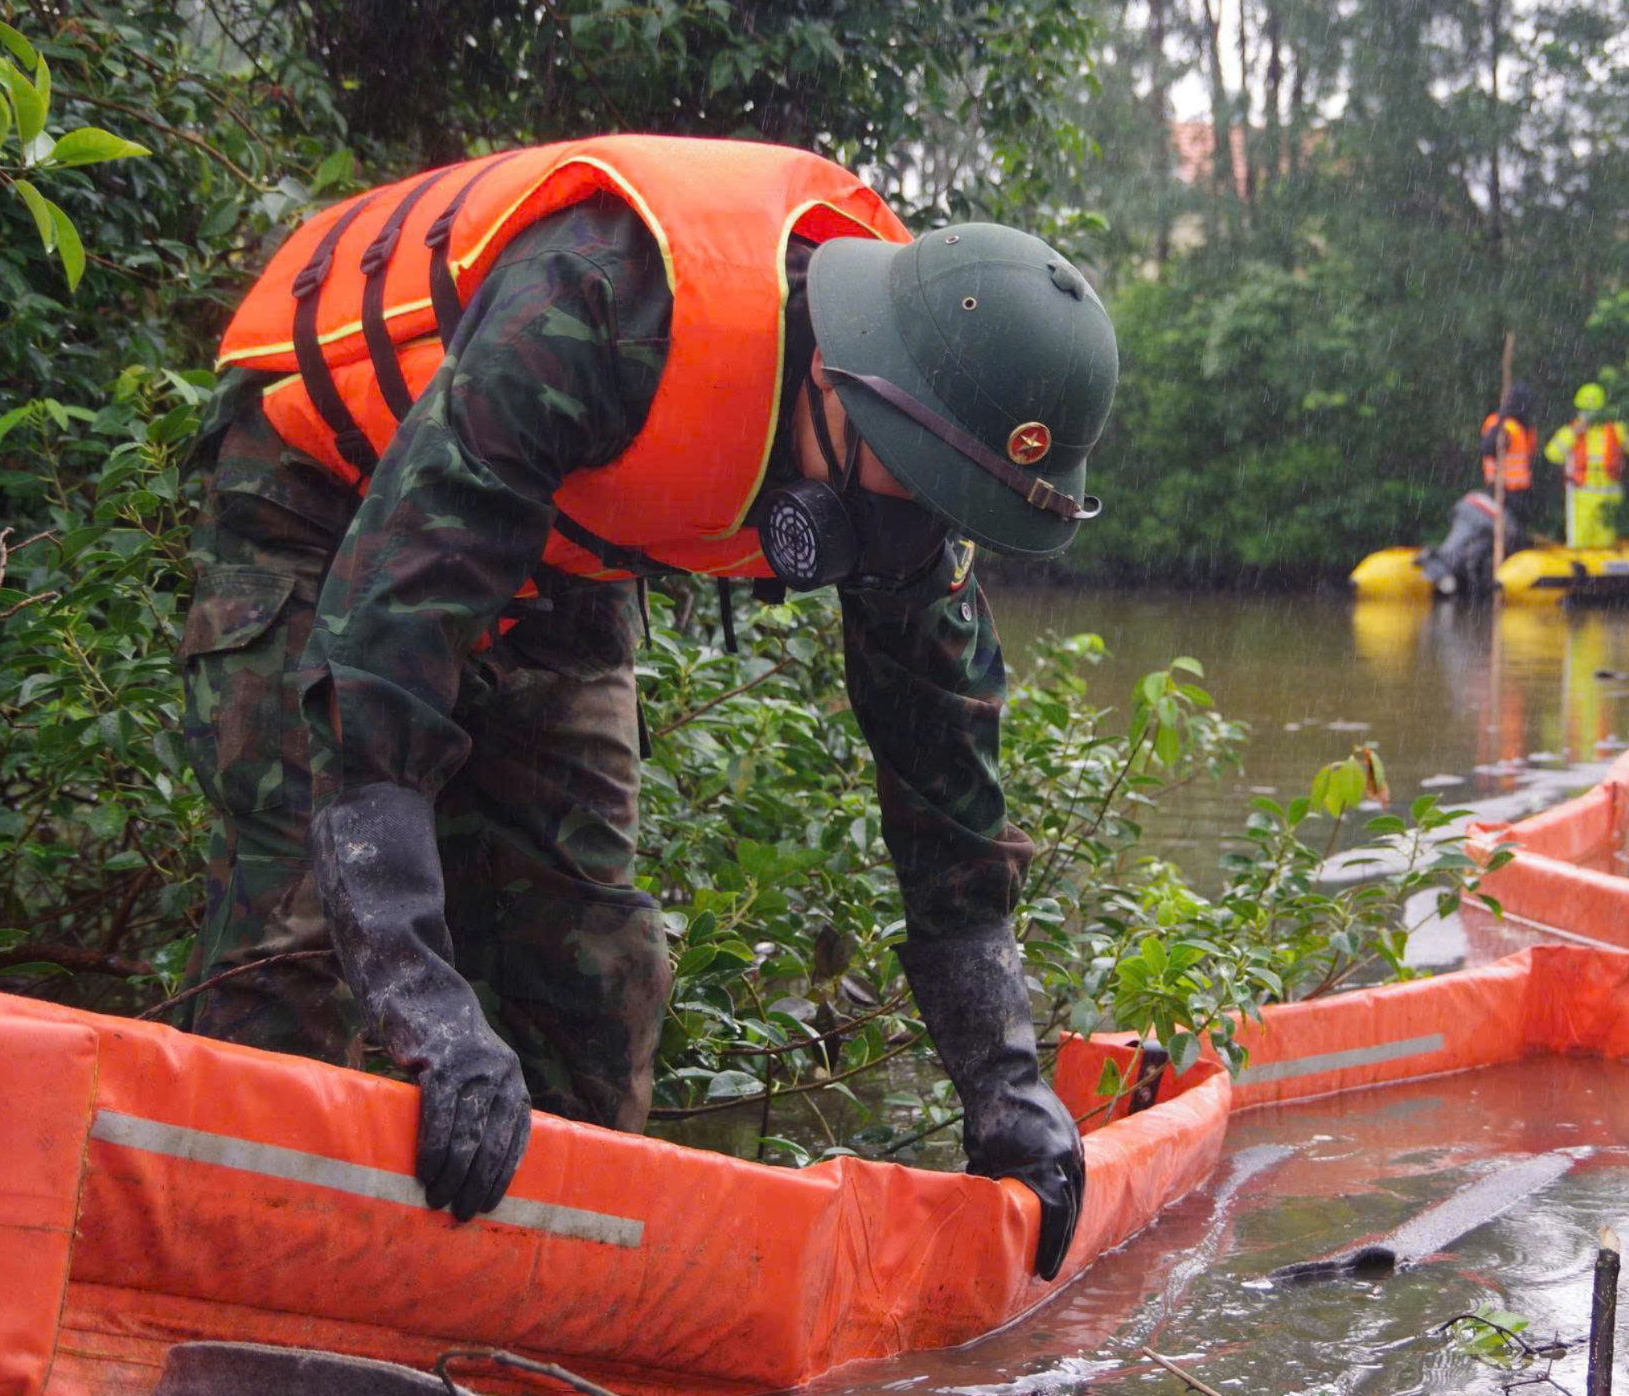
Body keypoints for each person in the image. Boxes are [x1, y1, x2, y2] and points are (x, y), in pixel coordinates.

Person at [175, 135, 1109, 1279]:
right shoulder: (606, 302)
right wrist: (427, 1007)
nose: (921, 528)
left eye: (953, 504)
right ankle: (225, 1271)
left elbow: (948, 795)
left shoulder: (910, 480)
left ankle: (538, 1305)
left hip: (562, 555)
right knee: (299, 935)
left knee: (599, 969)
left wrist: (1005, 1085)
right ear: (843, 380)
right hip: (325, 494)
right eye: (916, 484)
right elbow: (378, 672)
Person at [1544, 383, 1629, 549]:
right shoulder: (1571, 432)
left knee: (1605, 547)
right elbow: (1552, 454)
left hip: (1608, 499)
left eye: (1592, 411)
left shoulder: (1616, 430)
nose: (1588, 416)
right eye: (1585, 411)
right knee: (1579, 545)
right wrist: (1573, 433)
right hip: (1581, 497)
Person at [1481, 382, 1540, 535]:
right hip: (1501, 489)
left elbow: (1530, 458)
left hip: (1521, 492)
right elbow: (1487, 450)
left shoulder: (1526, 427)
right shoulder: (1501, 424)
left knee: (1517, 532)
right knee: (1505, 533)